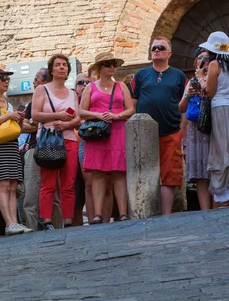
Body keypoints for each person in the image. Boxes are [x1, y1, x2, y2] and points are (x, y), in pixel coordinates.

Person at [131, 37, 187, 215]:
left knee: (169, 175)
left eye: (161, 47)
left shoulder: (178, 75)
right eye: (154, 48)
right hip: (144, 133)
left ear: (169, 53)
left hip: (170, 131)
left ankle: (166, 215)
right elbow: (133, 104)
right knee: (144, 173)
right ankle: (144, 212)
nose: (156, 50)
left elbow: (185, 105)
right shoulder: (141, 75)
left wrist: (181, 130)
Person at [81, 52, 134, 224]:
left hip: (117, 130)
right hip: (97, 132)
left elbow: (130, 109)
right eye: (108, 64)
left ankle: (123, 213)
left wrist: (116, 116)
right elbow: (81, 111)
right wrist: (98, 115)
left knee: (119, 172)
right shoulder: (90, 87)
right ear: (99, 68)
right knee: (98, 173)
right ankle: (98, 214)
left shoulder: (121, 86)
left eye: (114, 64)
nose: (112, 67)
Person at [32, 54, 81, 230]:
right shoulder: (42, 90)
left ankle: (67, 221)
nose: (62, 67)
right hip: (49, 140)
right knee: (49, 182)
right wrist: (57, 116)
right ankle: (47, 221)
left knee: (68, 183)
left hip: (69, 139)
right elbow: (35, 115)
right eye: (58, 65)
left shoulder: (73, 94)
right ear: (51, 70)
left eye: (64, 65)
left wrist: (66, 124)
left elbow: (78, 119)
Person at [0, 68, 31, 236]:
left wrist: (20, 119)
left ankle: (15, 222)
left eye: (7, 78)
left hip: (10, 145)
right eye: (3, 78)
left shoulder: (8, 103)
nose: (6, 81)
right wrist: (9, 115)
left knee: (13, 185)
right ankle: (9, 223)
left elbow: (16, 129)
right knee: (3, 184)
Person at [21, 68, 62, 231]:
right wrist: (40, 123)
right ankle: (31, 230)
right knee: (30, 193)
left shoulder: (57, 100)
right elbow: (22, 127)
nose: (34, 83)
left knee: (54, 194)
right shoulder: (32, 104)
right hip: (34, 149)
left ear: (45, 81)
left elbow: (60, 121)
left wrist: (37, 122)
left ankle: (59, 230)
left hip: (54, 148)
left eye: (36, 79)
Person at [178, 47, 212, 210]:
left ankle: (217, 206)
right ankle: (205, 210)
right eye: (200, 58)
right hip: (196, 129)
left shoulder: (216, 77)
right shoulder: (191, 81)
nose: (204, 61)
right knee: (201, 174)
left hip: (213, 127)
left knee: (216, 169)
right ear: (195, 62)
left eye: (207, 58)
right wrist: (188, 95)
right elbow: (181, 108)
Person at [201, 32, 229, 206]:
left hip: (219, 108)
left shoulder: (214, 64)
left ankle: (222, 195)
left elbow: (210, 91)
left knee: (220, 149)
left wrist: (201, 81)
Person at [73, 73, 91, 226]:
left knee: (92, 186)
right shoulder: (71, 102)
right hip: (73, 150)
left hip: (91, 146)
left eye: (87, 82)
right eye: (80, 82)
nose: (84, 85)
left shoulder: (95, 100)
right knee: (76, 191)